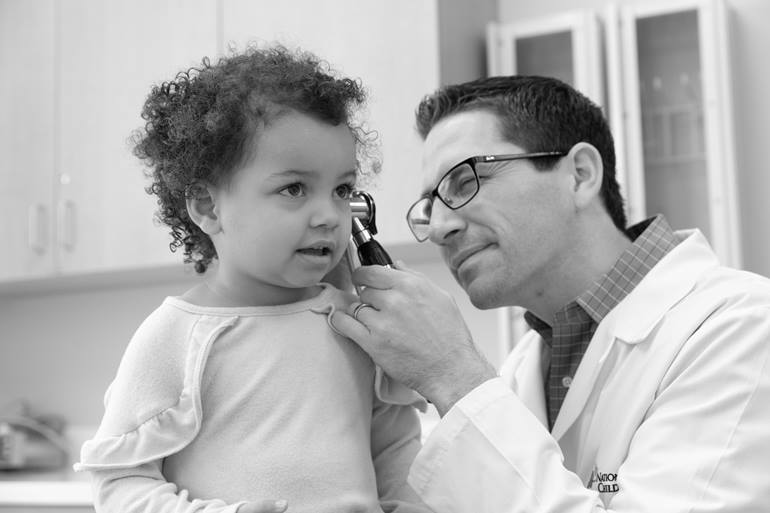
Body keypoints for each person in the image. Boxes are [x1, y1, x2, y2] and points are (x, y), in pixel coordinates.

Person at [331, 75, 770, 512]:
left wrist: (453, 376)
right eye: (431, 207)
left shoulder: (741, 329)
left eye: (465, 183)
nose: (441, 228)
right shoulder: (524, 368)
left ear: (580, 174)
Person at [74, 45, 430, 513]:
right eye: (294, 188)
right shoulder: (174, 337)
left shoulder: (356, 323)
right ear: (207, 206)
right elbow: (118, 484)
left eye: (342, 189)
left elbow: (396, 455)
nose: (329, 215)